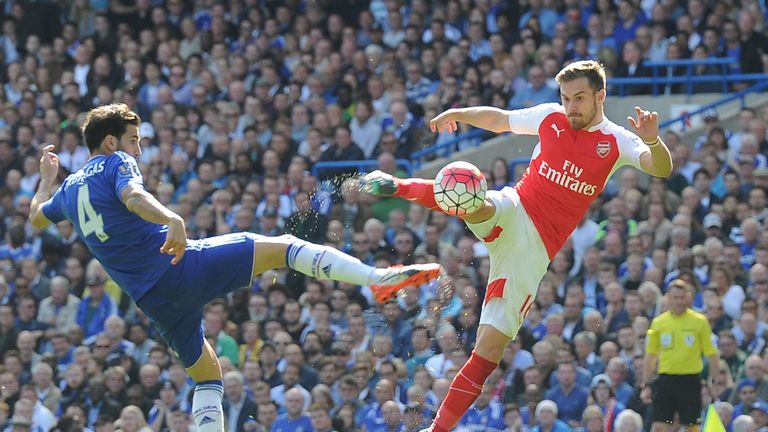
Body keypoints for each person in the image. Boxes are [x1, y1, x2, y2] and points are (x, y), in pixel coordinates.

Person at [28, 103, 443, 432]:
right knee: (283, 247)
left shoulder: (67, 189)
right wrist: (170, 217)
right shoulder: (116, 163)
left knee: (207, 377)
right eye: (132, 140)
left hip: (154, 303)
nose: (137, 149)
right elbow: (134, 197)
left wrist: (47, 178)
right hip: (179, 264)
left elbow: (35, 218)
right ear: (109, 142)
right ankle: (376, 279)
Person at [361, 60, 673, 432]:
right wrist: (460, 112)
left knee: (488, 350)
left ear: (599, 97)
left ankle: (437, 429)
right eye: (565, 98)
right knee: (473, 199)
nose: (570, 106)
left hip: (535, 250)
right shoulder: (550, 118)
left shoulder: (617, 140)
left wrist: (653, 139)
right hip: (516, 206)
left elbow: (660, 168)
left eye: (579, 98)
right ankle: (395, 185)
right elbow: (500, 119)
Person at [642, 279, 721, 432]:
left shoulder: (699, 321)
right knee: (659, 425)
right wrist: (646, 383)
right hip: (666, 379)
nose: (679, 301)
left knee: (692, 426)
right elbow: (650, 355)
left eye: (682, 297)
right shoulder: (659, 323)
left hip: (689, 379)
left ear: (688, 297)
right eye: (675, 297)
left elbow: (712, 353)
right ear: (668, 298)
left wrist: (715, 379)